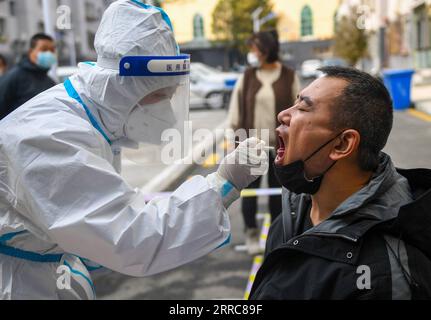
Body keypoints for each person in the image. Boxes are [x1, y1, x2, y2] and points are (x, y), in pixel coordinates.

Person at [0, 0, 269, 300]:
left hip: (43, 271)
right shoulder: (51, 136)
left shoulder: (91, 119)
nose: (166, 111)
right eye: (158, 95)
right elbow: (130, 237)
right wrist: (221, 184)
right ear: (124, 87)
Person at [249, 66, 431, 300]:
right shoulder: (291, 216)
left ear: (342, 144)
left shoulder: (382, 277)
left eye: (303, 108)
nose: (284, 114)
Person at [227, 30, 300, 255]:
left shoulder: (289, 76)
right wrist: (234, 141)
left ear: (267, 50)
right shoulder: (247, 76)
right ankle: (251, 233)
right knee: (250, 191)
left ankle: (277, 237)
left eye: (255, 48)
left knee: (279, 195)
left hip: (280, 146)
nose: (252, 53)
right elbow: (235, 110)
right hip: (252, 146)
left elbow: (299, 111)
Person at [0, 33, 57, 120]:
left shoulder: (50, 83)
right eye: (44, 49)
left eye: (52, 50)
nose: (49, 54)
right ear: (31, 51)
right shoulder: (14, 76)